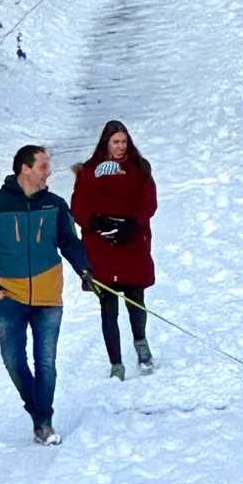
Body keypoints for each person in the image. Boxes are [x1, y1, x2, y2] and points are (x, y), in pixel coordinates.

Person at [0, 144, 92, 446]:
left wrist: (86, 272)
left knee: (46, 361)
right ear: (25, 170)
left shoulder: (54, 204)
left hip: (48, 296)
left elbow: (69, 242)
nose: (48, 172)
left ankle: (44, 422)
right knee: (13, 360)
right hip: (8, 295)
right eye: (43, 166)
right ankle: (37, 411)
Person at [71, 120, 157, 380]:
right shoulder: (88, 171)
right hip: (101, 247)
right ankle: (116, 362)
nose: (120, 147)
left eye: (123, 142)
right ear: (106, 144)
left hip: (132, 243)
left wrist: (133, 224)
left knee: (135, 299)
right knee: (108, 305)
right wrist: (95, 223)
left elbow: (149, 203)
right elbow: (78, 207)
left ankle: (141, 346)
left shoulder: (140, 169)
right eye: (115, 142)